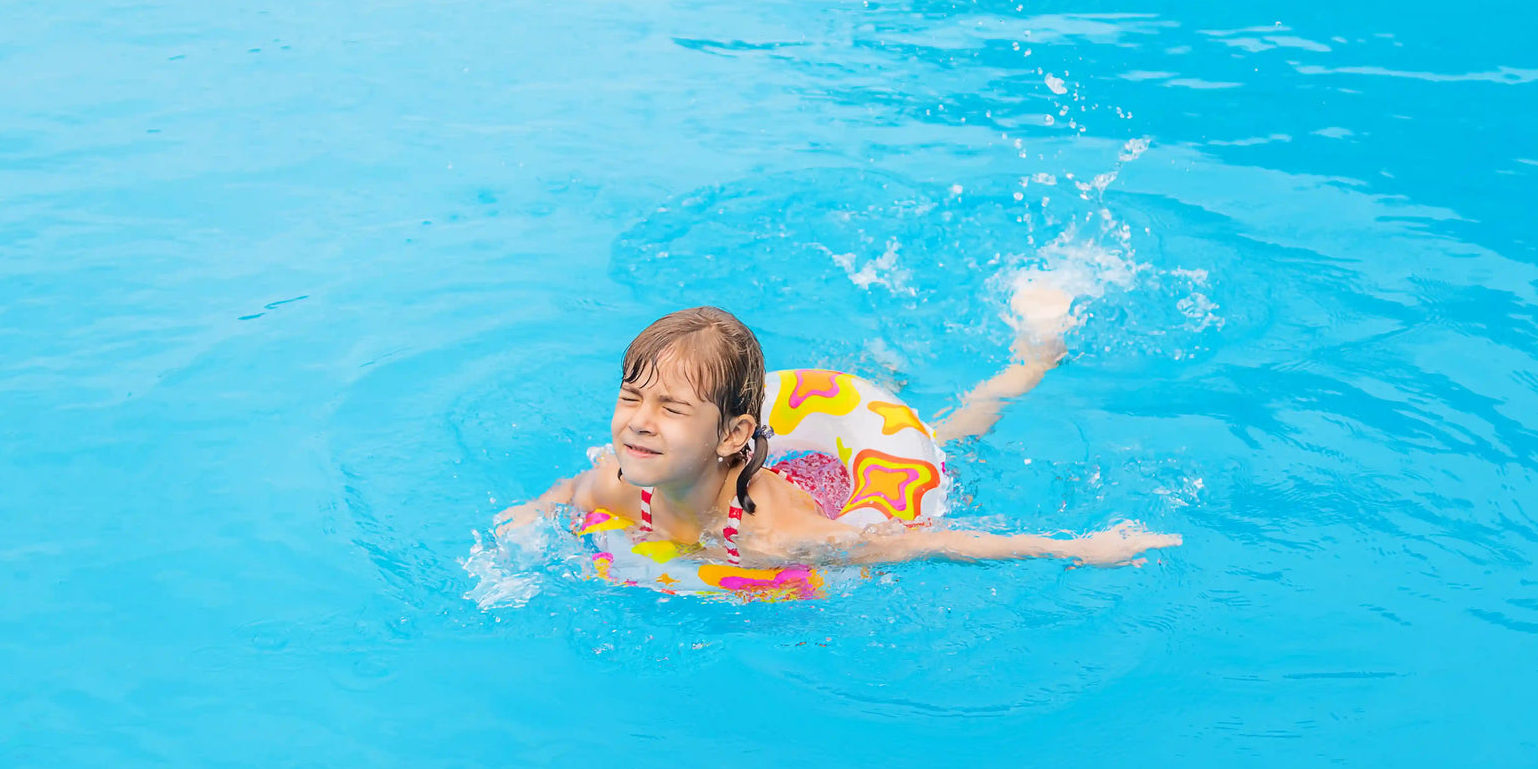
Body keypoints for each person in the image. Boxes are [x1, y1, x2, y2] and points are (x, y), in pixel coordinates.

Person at [496, 290, 1180, 568]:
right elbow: (567, 491)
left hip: (841, 486)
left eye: (671, 409)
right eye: (631, 398)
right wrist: (534, 511)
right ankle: (888, 371)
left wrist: (1073, 548)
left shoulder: (777, 536)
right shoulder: (618, 486)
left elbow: (922, 543)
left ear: (733, 434)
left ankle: (1033, 358)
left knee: (952, 435)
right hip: (792, 462)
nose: (640, 424)